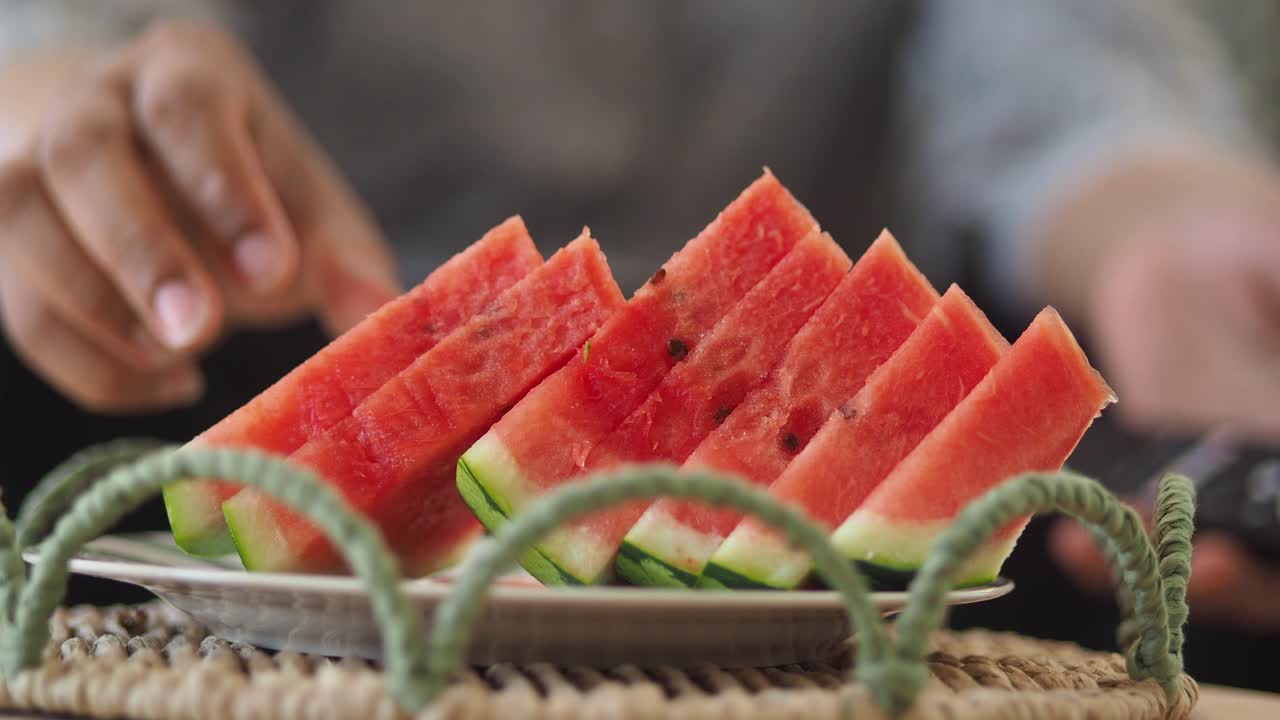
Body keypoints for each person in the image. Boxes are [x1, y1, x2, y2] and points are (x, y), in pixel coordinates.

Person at [0, 0, 1277, 671]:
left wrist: (1172, 226)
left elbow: (1067, 77)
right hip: (281, 332)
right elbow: (86, 34)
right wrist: (62, 109)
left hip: (816, 406)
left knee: (1194, 582)